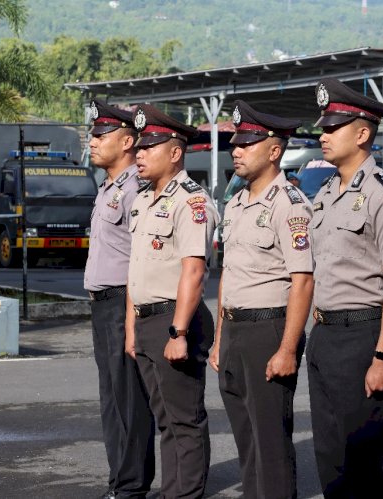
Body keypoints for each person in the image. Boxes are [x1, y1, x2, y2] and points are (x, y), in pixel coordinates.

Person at [307, 78, 383, 498]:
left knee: (361, 455)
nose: (323, 134)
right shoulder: (325, 193)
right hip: (326, 334)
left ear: (363, 133)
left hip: (364, 335)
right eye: (324, 127)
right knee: (328, 452)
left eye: (333, 127)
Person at [208, 100, 313, 499]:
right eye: (236, 142)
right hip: (234, 330)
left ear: (274, 150)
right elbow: (227, 277)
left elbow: (303, 281)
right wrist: (219, 338)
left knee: (270, 441)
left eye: (247, 143)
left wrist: (288, 347)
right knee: (246, 441)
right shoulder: (235, 203)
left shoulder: (290, 204)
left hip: (269, 330)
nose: (236, 150)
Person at [125, 103, 218, 499]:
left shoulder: (191, 202)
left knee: (185, 419)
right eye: (139, 147)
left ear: (175, 152)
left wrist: (178, 331)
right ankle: (173, 491)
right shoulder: (143, 199)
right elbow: (137, 267)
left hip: (175, 320)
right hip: (146, 321)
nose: (139, 154)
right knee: (165, 420)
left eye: (150, 147)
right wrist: (131, 327)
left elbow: (193, 272)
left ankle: (186, 494)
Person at [83, 99, 155, 499]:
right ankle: (119, 481)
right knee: (111, 400)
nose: (92, 141)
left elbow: (141, 258)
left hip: (122, 303)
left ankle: (131, 486)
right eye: (92, 134)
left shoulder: (135, 189)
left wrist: (130, 316)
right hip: (101, 304)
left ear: (128, 141)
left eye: (100, 135)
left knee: (129, 401)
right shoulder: (109, 187)